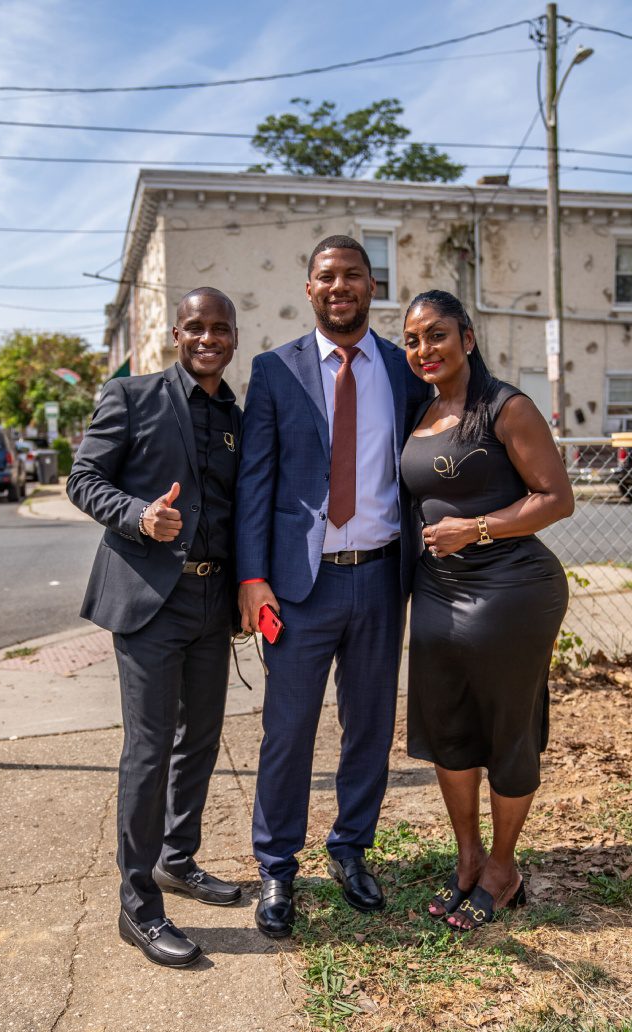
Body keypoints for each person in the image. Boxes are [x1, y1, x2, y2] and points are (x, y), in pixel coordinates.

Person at [236, 235, 429, 938]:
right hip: (297, 589)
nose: (339, 285)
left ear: (371, 285)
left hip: (380, 578)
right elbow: (255, 484)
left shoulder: (406, 372)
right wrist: (252, 579)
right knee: (286, 732)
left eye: (352, 274)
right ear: (309, 287)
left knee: (369, 729)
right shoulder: (274, 372)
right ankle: (277, 868)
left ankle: (351, 850)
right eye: (326, 276)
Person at [67, 288, 243, 967]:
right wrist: (139, 514)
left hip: (211, 597)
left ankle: (177, 859)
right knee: (147, 750)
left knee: (199, 737)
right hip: (148, 599)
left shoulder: (234, 412)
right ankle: (137, 906)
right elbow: (84, 478)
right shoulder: (133, 397)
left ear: (232, 336)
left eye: (219, 328)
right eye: (195, 326)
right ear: (176, 333)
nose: (207, 338)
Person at [400, 289, 574, 931]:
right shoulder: (420, 412)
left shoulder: (507, 407)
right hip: (438, 593)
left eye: (437, 334)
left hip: (512, 590)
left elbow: (556, 499)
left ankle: (504, 868)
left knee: (507, 728)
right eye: (414, 339)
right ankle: (468, 857)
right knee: (448, 727)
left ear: (467, 338)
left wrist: (474, 528)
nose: (425, 349)